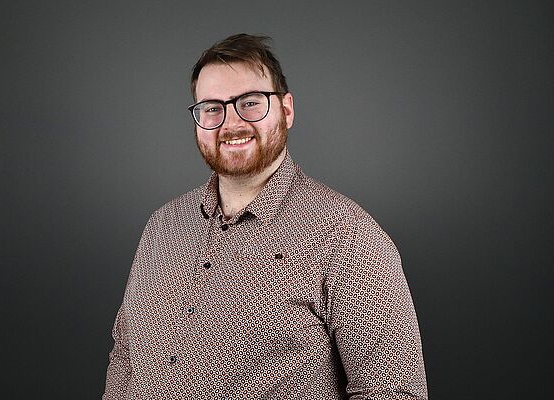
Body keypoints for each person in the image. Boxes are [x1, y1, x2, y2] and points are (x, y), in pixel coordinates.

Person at [103, 33, 428, 399]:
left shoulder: (348, 237)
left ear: (286, 110)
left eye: (250, 102)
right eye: (212, 108)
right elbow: (125, 355)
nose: (231, 123)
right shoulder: (162, 226)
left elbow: (393, 392)